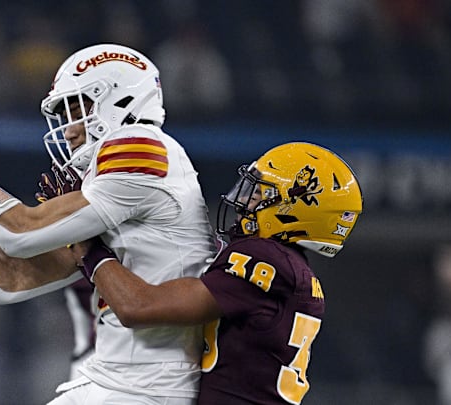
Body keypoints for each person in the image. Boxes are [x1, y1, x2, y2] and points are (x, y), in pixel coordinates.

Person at [0, 43, 218, 404]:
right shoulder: (119, 185)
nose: (70, 131)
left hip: (146, 389)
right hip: (119, 383)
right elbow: (11, 280)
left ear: (121, 99)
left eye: (78, 109)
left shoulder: (143, 145)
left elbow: (19, 233)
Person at [74, 142, 364, 404]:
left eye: (261, 194)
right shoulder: (294, 273)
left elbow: (138, 307)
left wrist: (90, 249)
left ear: (294, 208)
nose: (244, 202)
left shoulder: (266, 259)